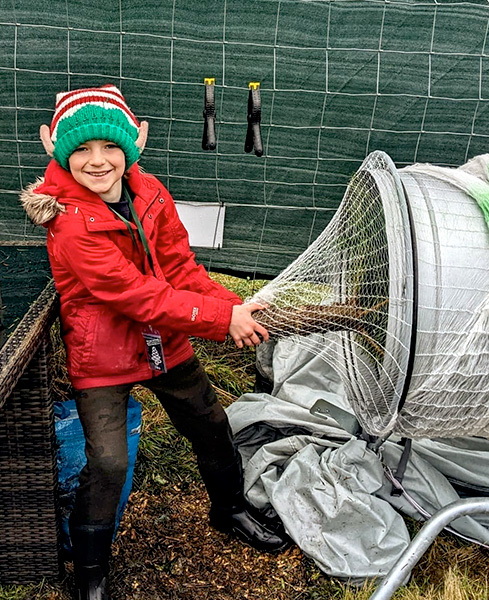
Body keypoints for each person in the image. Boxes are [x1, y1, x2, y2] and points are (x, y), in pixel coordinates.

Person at [20, 84, 288, 600]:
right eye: (81, 149)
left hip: (163, 339)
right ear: (56, 149)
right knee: (109, 462)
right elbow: (134, 294)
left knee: (209, 422)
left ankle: (229, 507)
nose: (97, 161)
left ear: (133, 144)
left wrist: (232, 309)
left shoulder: (151, 192)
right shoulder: (70, 223)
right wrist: (218, 318)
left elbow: (180, 267)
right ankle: (91, 571)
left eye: (110, 147)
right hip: (103, 354)